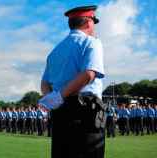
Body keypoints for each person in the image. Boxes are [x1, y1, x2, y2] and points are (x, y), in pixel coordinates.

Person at [39, 5, 105, 158]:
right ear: (89, 21)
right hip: (86, 113)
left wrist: (54, 98)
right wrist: (60, 95)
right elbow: (89, 74)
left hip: (61, 111)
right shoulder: (92, 42)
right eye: (94, 21)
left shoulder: (55, 51)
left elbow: (44, 83)